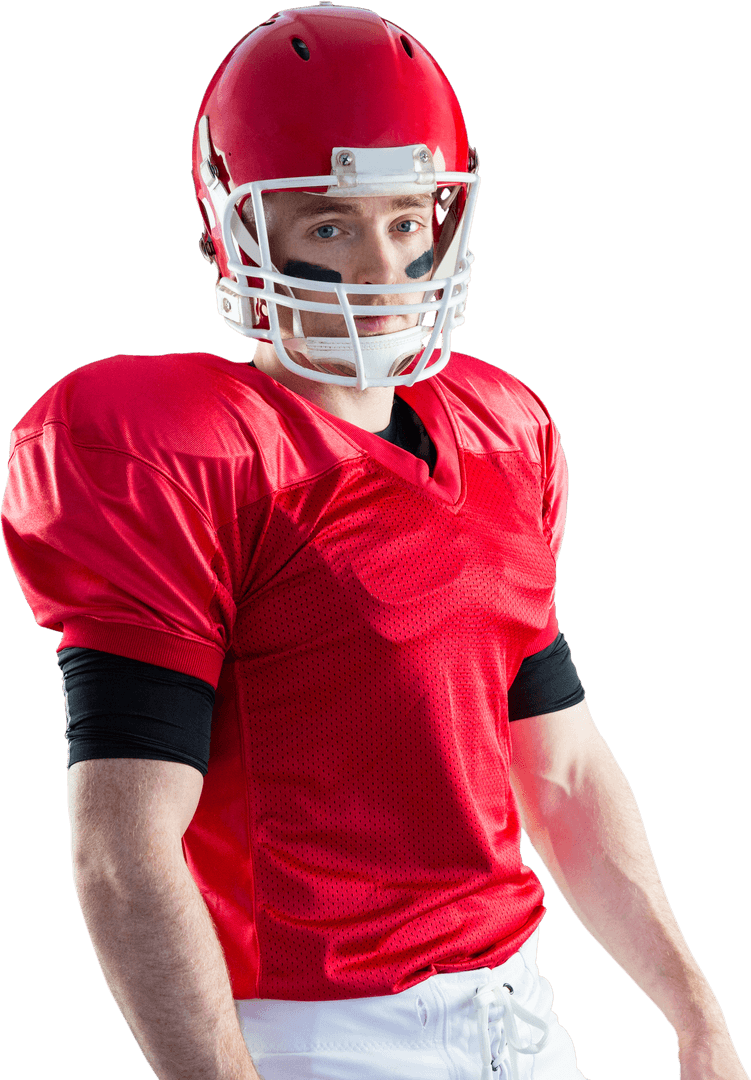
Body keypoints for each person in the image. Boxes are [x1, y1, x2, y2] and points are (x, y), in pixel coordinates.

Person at [1, 5, 748, 1080]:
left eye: (405, 221)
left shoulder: (503, 430)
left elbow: (563, 769)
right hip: (314, 1038)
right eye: (330, 226)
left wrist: (694, 1011)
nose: (380, 266)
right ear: (242, 226)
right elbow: (122, 853)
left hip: (519, 1016)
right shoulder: (185, 451)